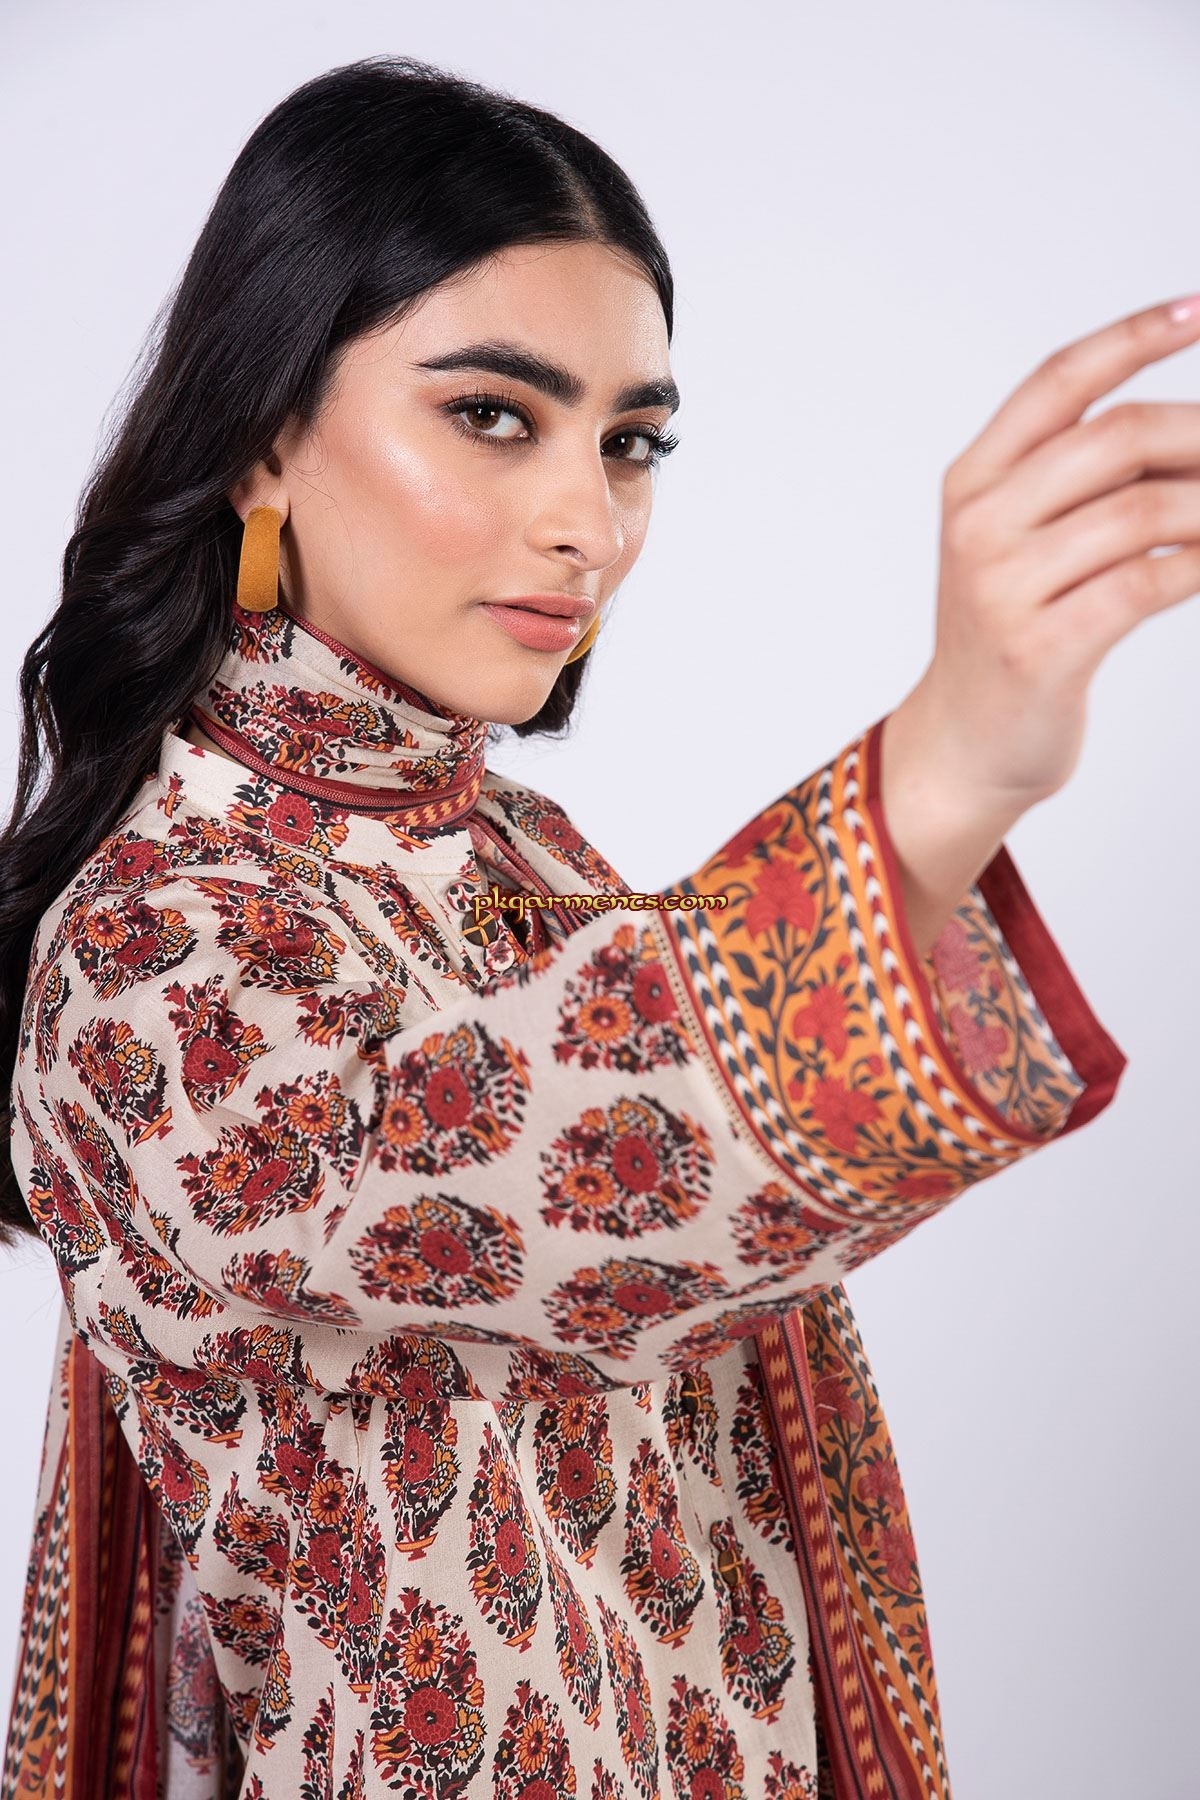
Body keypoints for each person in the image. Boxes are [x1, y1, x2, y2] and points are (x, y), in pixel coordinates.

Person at [11, 47, 1196, 1800]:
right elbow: (527, 1175)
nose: (591, 525)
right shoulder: (154, 949)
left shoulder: (519, 853)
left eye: (630, 443)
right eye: (495, 415)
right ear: (263, 440)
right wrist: (941, 778)